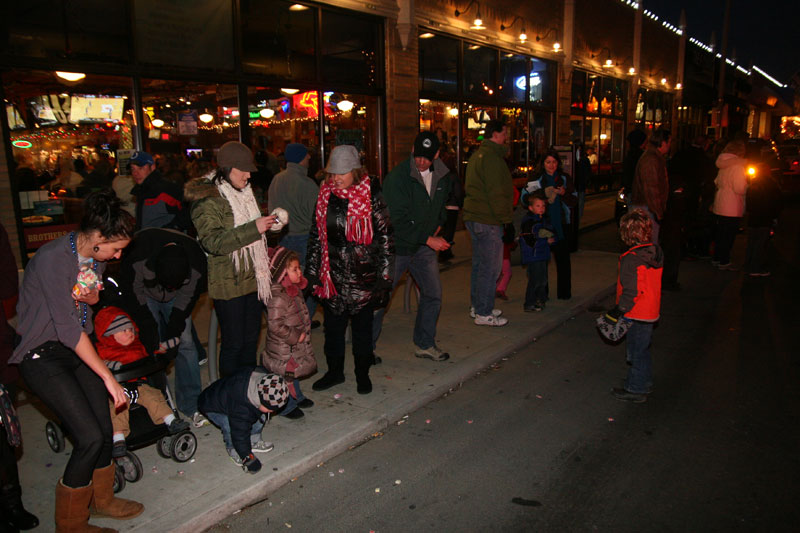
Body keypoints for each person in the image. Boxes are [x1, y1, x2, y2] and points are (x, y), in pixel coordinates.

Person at [9, 190, 143, 531]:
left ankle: (102, 501)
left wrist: (92, 295)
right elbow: (68, 330)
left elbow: (89, 301)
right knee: (89, 437)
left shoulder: (94, 258)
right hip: (43, 353)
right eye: (116, 248)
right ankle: (70, 523)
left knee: (103, 425)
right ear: (98, 237)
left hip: (74, 348)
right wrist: (108, 377)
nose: (117, 256)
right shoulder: (53, 258)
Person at [306, 145, 393, 395]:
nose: (336, 178)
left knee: (362, 333)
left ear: (355, 171)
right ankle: (334, 373)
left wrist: (384, 279)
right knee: (332, 331)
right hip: (331, 275)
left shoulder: (371, 194)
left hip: (363, 275)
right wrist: (312, 273)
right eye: (333, 173)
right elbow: (316, 236)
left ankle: (362, 374)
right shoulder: (325, 195)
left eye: (341, 172)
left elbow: (386, 236)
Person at [186, 141, 277, 378]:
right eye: (243, 169)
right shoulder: (208, 198)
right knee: (234, 345)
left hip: (253, 277)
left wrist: (269, 225)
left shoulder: (243, 191)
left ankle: (247, 393)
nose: (248, 175)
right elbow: (213, 242)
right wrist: (254, 228)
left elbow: (251, 227)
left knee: (249, 343)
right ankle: (229, 397)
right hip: (228, 282)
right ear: (226, 169)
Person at [117, 227, 209, 427]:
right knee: (150, 346)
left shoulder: (196, 264)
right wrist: (151, 334)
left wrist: (172, 334)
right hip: (145, 294)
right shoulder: (137, 254)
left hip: (176, 300)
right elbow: (134, 296)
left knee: (185, 343)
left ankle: (191, 404)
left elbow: (185, 302)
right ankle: (161, 406)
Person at [374, 131, 453, 362]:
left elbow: (442, 206)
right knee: (381, 299)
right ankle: (365, 349)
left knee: (433, 294)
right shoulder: (398, 177)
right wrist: (429, 239)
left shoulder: (442, 175)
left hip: (423, 247)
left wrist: (439, 224)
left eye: (427, 157)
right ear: (412, 151)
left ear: (437, 155)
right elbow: (395, 220)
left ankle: (425, 344)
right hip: (397, 247)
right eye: (418, 155)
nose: (421, 161)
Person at [94, 307, 189, 458]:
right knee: (117, 409)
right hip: (119, 389)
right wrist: (113, 366)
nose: (129, 333)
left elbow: (152, 354)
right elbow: (99, 364)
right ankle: (118, 439)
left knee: (155, 396)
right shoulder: (104, 351)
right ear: (110, 335)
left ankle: (171, 421)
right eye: (123, 331)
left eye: (130, 329)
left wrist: (166, 347)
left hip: (139, 385)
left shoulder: (138, 346)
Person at [603, 209, 663, 403]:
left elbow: (632, 291)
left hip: (635, 312)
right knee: (643, 349)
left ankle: (636, 389)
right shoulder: (655, 252)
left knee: (635, 351)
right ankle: (642, 380)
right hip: (651, 310)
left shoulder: (631, 259)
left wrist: (618, 311)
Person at [463, 119, 514, 326]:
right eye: (504, 133)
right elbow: (497, 193)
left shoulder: (478, 156)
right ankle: (484, 312)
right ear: (495, 134)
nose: (507, 137)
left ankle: (478, 306)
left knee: (479, 265)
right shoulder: (492, 158)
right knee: (490, 268)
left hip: (475, 217)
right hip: (487, 219)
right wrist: (507, 221)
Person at [198, 368, 288, 472]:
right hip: (212, 406)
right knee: (229, 425)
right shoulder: (241, 408)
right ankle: (233, 449)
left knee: (260, 415)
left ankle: (253, 441)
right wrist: (248, 457)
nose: (272, 411)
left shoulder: (264, 383)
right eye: (270, 408)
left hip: (231, 400)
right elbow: (239, 434)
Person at [267, 142, 320, 321]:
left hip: (283, 238)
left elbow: (272, 211)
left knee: (287, 282)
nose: (309, 158)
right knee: (308, 282)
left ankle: (290, 319)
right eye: (307, 155)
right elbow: (317, 215)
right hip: (304, 238)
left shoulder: (276, 180)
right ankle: (303, 319)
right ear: (300, 158)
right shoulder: (308, 184)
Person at [262, 247, 316, 419]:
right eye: (294, 269)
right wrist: (294, 335)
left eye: (299, 268)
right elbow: (275, 325)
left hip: (293, 345)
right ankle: (285, 406)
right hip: (283, 347)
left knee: (293, 372)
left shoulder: (293, 290)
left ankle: (296, 396)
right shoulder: (278, 296)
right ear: (283, 274)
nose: (300, 272)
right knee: (285, 375)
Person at [524, 150, 577, 300]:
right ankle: (542, 295)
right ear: (543, 164)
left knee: (563, 260)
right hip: (543, 225)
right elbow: (525, 198)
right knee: (541, 262)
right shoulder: (536, 179)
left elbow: (574, 199)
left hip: (561, 224)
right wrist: (542, 195)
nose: (551, 165)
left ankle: (564, 293)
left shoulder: (564, 178)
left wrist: (564, 193)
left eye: (554, 162)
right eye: (548, 162)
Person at [711, 139, 748, 270]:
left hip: (721, 202)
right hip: (732, 205)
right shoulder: (738, 166)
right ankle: (724, 261)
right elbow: (739, 188)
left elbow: (716, 182)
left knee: (720, 233)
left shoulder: (722, 164)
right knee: (729, 235)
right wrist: (747, 185)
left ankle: (716, 257)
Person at [130, 150, 189, 232]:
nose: (135, 173)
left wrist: (165, 233)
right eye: (132, 169)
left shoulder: (166, 189)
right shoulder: (142, 190)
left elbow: (186, 216)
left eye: (140, 168)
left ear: (152, 167)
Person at [630, 129, 671, 244]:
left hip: (648, 207)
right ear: (662, 142)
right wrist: (658, 211)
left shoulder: (654, 157)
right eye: (669, 141)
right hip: (647, 208)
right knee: (647, 244)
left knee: (648, 243)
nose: (670, 145)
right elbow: (651, 188)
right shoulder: (651, 159)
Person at [519, 192, 556, 312]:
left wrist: (551, 239)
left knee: (542, 279)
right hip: (533, 255)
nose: (541, 208)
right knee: (535, 280)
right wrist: (546, 241)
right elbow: (529, 240)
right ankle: (530, 303)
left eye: (543, 206)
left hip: (542, 255)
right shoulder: (529, 222)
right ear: (531, 208)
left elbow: (550, 233)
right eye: (538, 206)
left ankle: (540, 299)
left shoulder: (543, 220)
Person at [743, 163, 782, 277]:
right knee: (761, 243)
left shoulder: (752, 185)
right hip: (765, 218)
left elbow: (749, 203)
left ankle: (748, 265)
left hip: (753, 218)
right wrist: (774, 216)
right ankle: (755, 267)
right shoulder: (772, 186)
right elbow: (777, 203)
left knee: (751, 243)